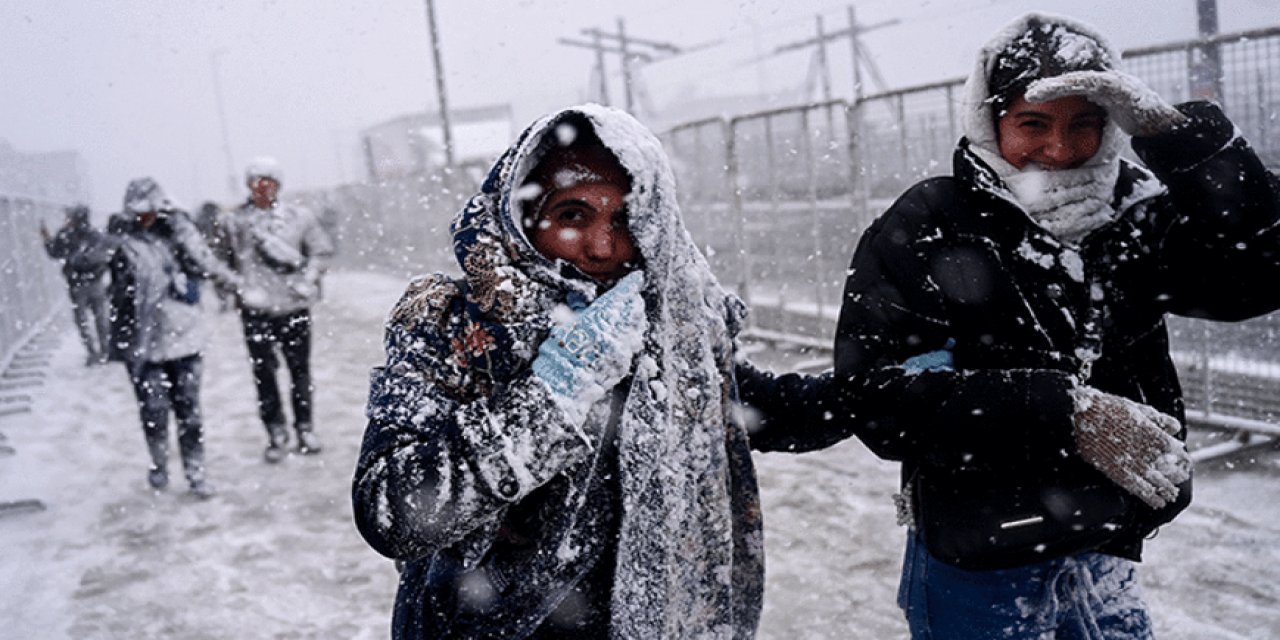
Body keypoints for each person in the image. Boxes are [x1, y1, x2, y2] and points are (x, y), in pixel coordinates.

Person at [759, 12, 1280, 639]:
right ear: (990, 118)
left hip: (1104, 543)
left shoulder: (1133, 217)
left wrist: (1183, 142)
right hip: (978, 558)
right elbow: (878, 398)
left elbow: (1257, 275)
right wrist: (1064, 412)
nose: (1059, 151)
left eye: (1085, 124)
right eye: (1033, 124)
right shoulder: (932, 222)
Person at [351, 104, 827, 638]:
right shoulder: (448, 323)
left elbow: (743, 404)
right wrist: (556, 393)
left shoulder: (665, 319)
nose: (603, 247)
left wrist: (880, 392)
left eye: (624, 220)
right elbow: (394, 512)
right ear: (523, 215)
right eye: (573, 215)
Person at [107, 177, 242, 498]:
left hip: (184, 338)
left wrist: (181, 228)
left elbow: (206, 263)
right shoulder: (120, 241)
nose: (146, 218)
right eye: (139, 212)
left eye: (151, 210)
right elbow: (99, 267)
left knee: (189, 412)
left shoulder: (179, 236)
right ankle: (159, 465)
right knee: (152, 411)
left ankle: (196, 472)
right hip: (143, 342)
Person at [225, 157, 334, 463]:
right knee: (264, 375)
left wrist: (308, 279)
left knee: (300, 371)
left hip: (293, 307)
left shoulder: (300, 217)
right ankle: (275, 431)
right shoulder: (235, 223)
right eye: (256, 181)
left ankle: (305, 427)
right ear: (248, 185)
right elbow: (220, 263)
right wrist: (241, 287)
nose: (262, 188)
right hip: (255, 311)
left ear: (278, 184)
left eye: (268, 181)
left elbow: (321, 252)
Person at [40, 204, 112, 365]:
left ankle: (92, 353)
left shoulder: (66, 235)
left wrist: (46, 238)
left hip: (77, 285)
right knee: (101, 318)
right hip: (95, 283)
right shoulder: (95, 235)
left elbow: (54, 252)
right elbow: (105, 256)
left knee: (82, 320)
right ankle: (106, 351)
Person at [194, 200, 236, 311]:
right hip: (217, 258)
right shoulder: (216, 224)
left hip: (220, 257)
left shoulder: (222, 226)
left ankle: (224, 300)